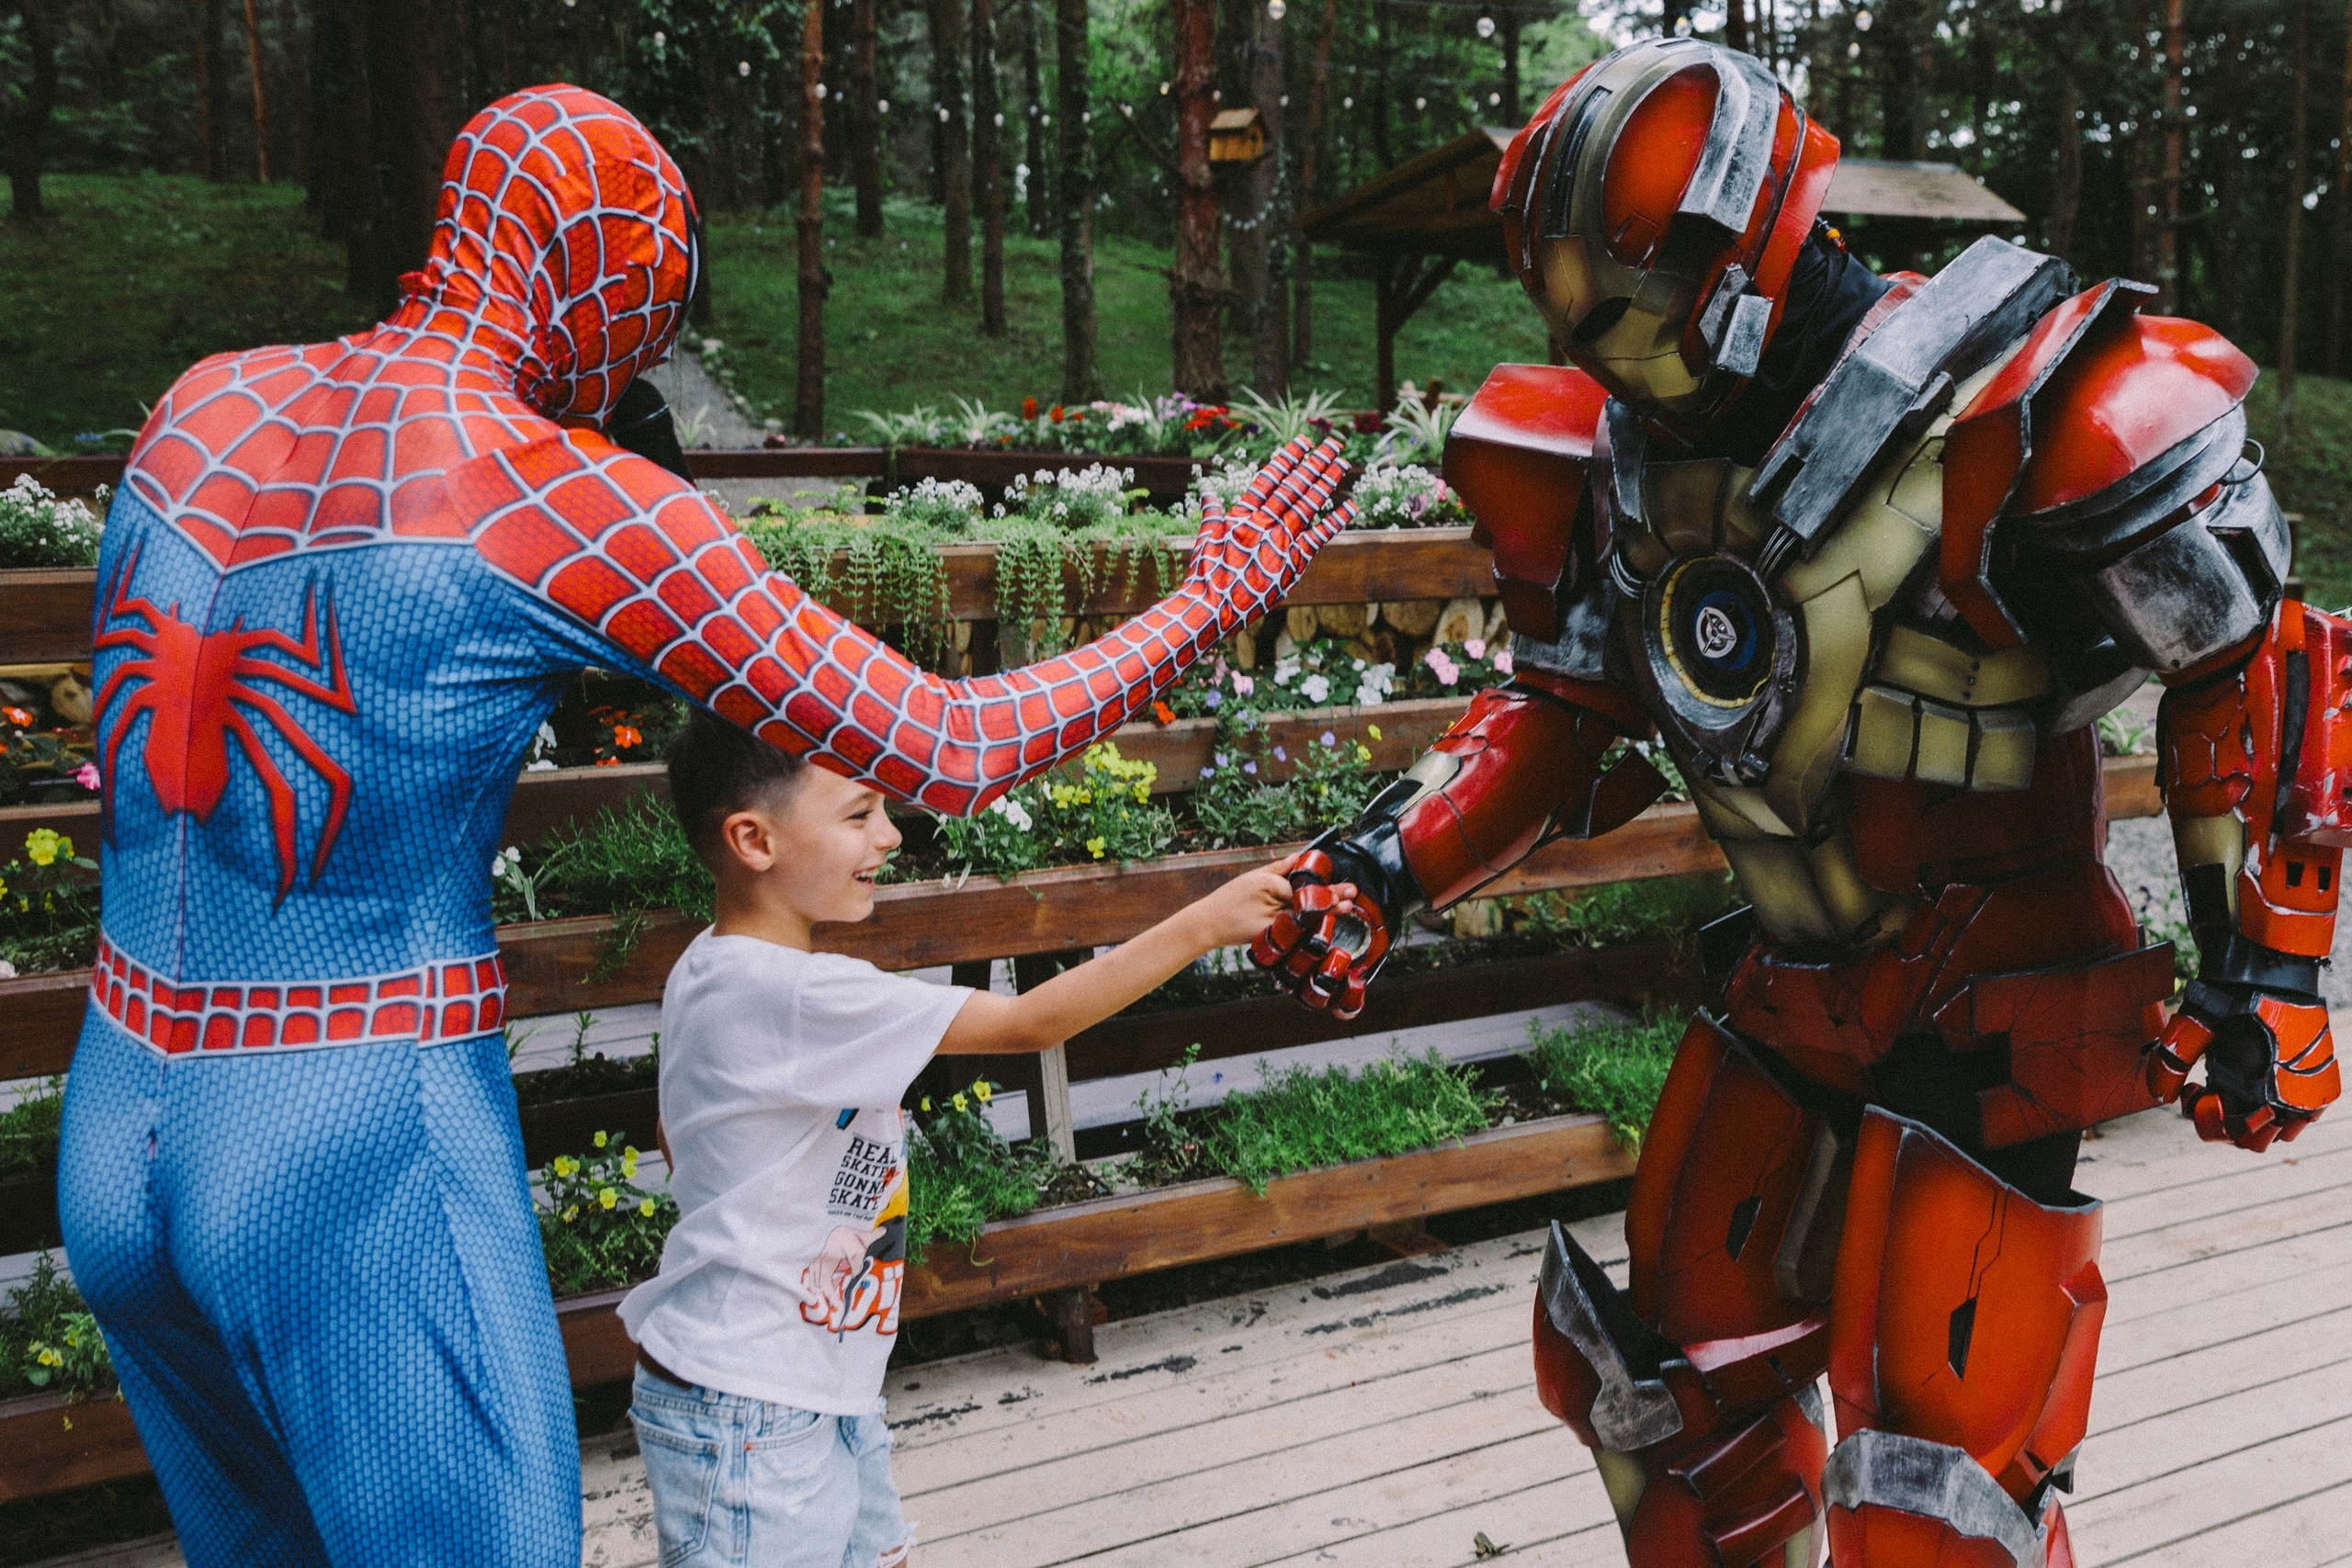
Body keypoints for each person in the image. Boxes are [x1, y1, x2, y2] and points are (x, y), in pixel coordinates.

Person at [58, 85, 1351, 1568]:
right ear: (596, 276)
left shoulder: (205, 401)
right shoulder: (553, 494)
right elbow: (950, 742)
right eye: (647, 310)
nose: (634, 361)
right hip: (349, 1117)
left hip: (123, 1099)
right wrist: (1215, 589)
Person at [1249, 37, 2339, 1568]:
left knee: (1935, 1494)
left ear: (1735, 249)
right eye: (1577, 311)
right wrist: (1387, 863)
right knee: (1673, 1409)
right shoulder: (1616, 455)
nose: (1610, 355)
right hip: (1789, 982)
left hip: (1994, 1005)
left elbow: (2247, 647)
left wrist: (2264, 967)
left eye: (1634, 305)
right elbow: (1562, 708)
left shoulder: (2009, 397)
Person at [618, 709, 1298, 1567]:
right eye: (858, 813)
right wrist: (1204, 923)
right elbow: (1031, 1019)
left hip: (804, 1378)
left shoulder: (711, 967)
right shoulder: (798, 992)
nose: (890, 836)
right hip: (755, 1402)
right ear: (754, 839)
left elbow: (675, 1131)